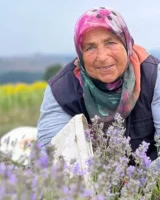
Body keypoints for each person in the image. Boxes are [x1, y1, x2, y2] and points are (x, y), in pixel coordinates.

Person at [37, 6, 160, 162]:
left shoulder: (153, 75)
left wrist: (141, 182)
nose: (102, 56)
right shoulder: (61, 89)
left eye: (110, 43)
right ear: (80, 54)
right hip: (88, 183)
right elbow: (50, 159)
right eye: (90, 47)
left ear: (126, 43)